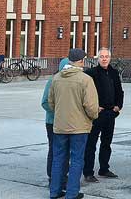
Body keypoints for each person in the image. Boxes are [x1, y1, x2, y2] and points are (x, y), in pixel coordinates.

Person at [49, 49, 99, 199]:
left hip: (60, 126)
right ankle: (72, 193)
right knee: (77, 159)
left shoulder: (56, 78)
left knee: (58, 158)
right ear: (82, 61)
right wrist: (93, 117)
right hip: (79, 127)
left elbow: (51, 102)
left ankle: (55, 191)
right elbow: (91, 106)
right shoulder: (85, 80)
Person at [82, 48, 124, 182]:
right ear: (97, 58)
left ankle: (104, 168)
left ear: (110, 58)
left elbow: (119, 91)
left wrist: (118, 106)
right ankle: (88, 172)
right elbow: (86, 93)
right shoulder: (91, 73)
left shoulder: (114, 73)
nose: (104, 59)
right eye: (101, 56)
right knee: (91, 143)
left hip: (111, 113)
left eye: (107, 56)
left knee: (107, 142)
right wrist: (94, 107)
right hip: (96, 114)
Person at [41, 58, 69, 182]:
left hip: (66, 122)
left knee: (65, 149)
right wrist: (59, 113)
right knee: (54, 149)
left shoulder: (72, 81)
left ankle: (63, 174)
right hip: (53, 122)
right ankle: (52, 174)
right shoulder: (53, 81)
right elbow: (45, 102)